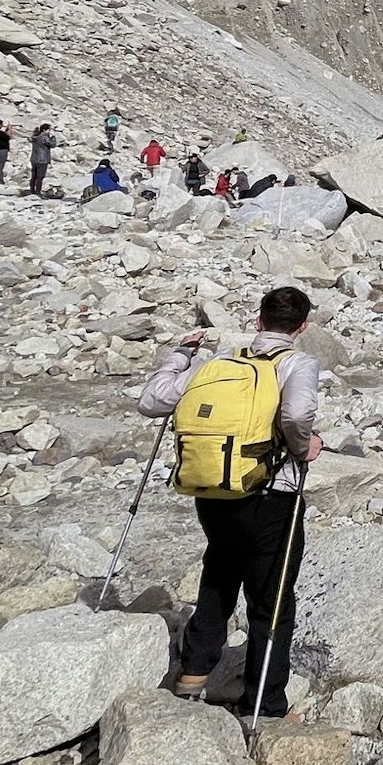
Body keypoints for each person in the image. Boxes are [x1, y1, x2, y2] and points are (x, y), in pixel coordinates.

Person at [138, 286, 321, 718]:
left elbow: (152, 400)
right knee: (271, 597)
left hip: (212, 489)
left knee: (220, 568)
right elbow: (296, 415)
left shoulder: (218, 361)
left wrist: (180, 355)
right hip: (270, 493)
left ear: (258, 321)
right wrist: (302, 447)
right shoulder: (298, 362)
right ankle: (264, 702)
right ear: (302, 327)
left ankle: (194, 672)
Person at [29, 124, 59, 196]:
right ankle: (38, 192)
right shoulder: (44, 138)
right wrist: (53, 137)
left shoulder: (35, 137)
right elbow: (52, 145)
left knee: (34, 176)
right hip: (42, 159)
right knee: (40, 177)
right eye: (48, 130)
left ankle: (32, 190)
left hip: (34, 159)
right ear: (44, 130)